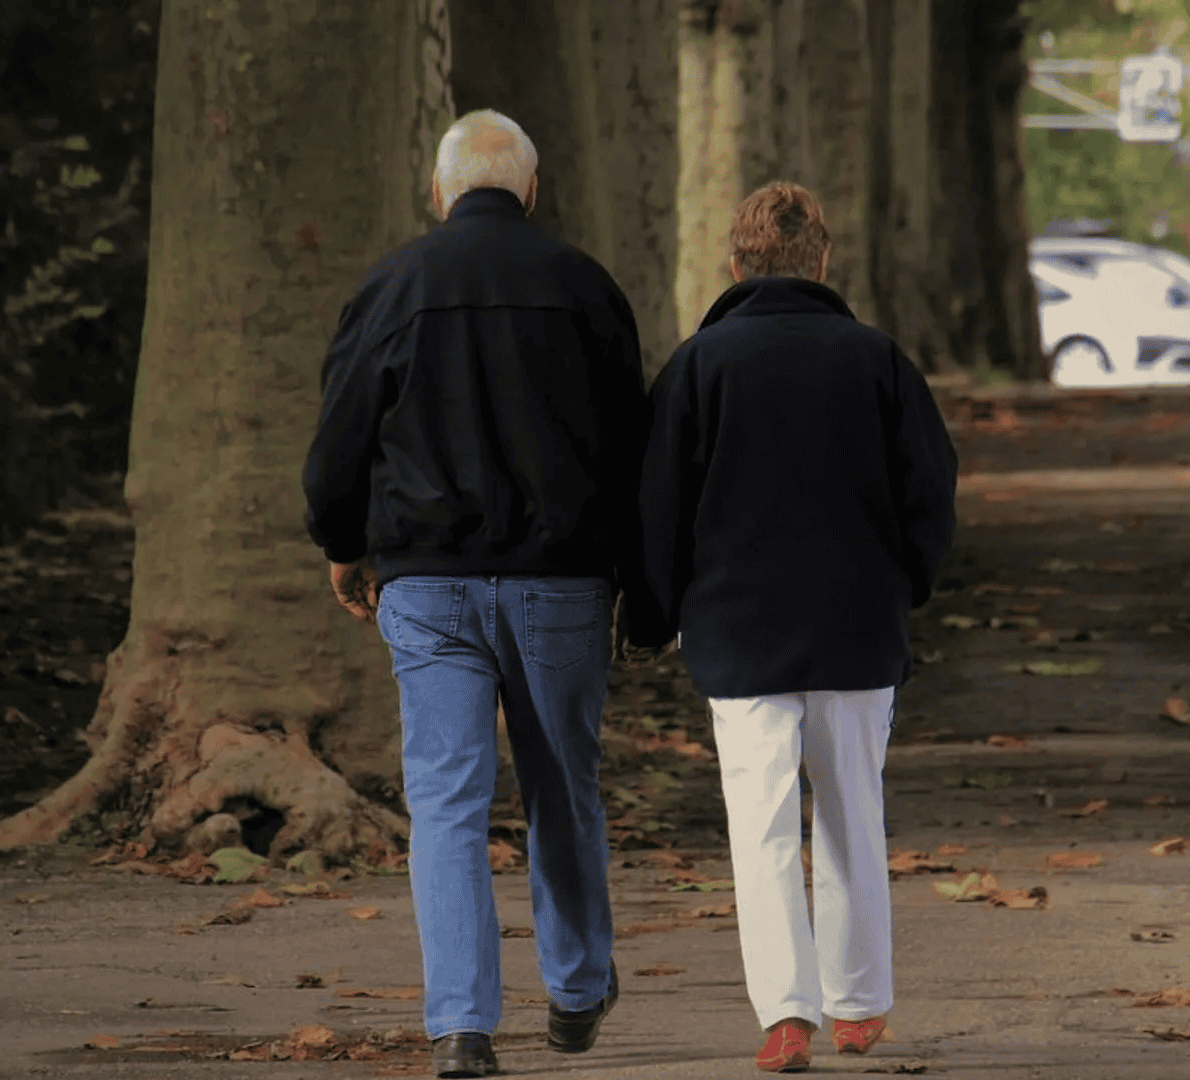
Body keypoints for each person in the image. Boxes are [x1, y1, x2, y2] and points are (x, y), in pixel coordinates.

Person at [302, 109, 659, 1079]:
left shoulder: (392, 286)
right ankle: (579, 987)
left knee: (447, 803)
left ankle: (462, 1026)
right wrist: (644, 583)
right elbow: (636, 453)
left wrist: (344, 546)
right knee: (562, 788)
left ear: (440, 189)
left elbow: (340, 438)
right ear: (532, 189)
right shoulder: (586, 288)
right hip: (562, 584)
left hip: (427, 582)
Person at [635, 182, 958, 1072]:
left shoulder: (700, 367)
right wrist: (908, 586)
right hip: (857, 626)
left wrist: (656, 614)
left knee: (762, 825)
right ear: (824, 262)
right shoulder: (878, 361)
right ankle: (858, 1003)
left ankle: (785, 1011)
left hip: (737, 632)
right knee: (854, 813)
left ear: (734, 267)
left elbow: (660, 507)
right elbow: (930, 490)